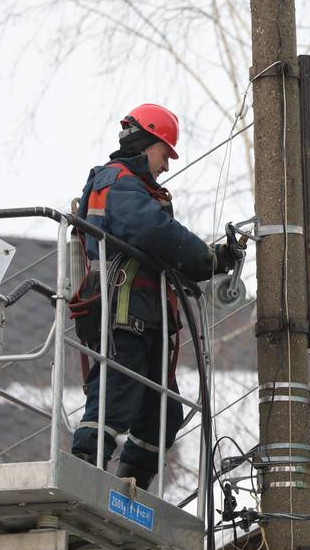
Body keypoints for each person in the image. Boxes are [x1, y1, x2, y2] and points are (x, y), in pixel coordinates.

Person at [70, 103, 236, 490]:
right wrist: (205, 257)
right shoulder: (117, 181)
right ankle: (84, 471)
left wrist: (209, 260)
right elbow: (151, 232)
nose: (166, 165)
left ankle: (130, 485)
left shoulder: (139, 189)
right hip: (124, 312)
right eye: (165, 154)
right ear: (146, 143)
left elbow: (161, 241)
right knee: (118, 391)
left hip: (149, 316)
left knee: (163, 413)